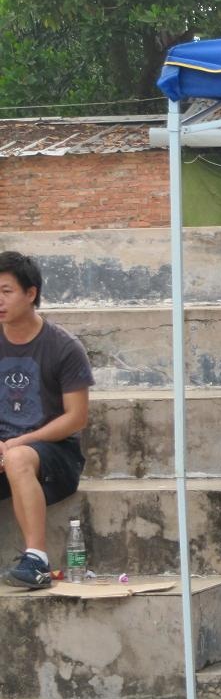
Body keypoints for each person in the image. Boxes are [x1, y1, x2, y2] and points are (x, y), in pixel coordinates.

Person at [0, 252, 93, 590]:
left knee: (17, 458)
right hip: (5, 448)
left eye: (6, 291)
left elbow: (76, 417)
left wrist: (17, 443)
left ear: (31, 293)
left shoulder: (63, 347)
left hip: (55, 454)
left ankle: (36, 559)